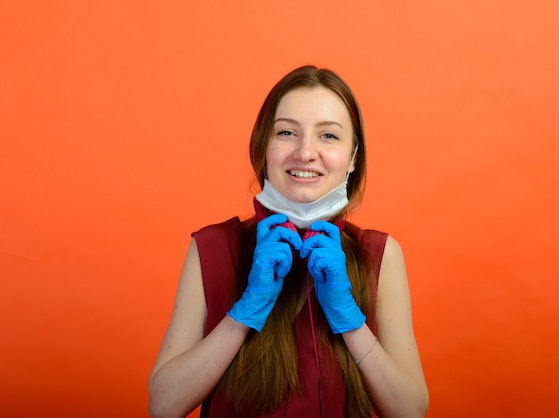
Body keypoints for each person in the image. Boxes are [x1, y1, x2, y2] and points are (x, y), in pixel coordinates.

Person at [148, 65, 429, 418]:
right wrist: (245, 311)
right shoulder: (211, 249)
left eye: (328, 136)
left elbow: (411, 412)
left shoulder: (382, 255)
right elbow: (163, 406)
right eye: (286, 132)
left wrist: (351, 322)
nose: (305, 152)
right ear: (263, 147)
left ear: (353, 157)